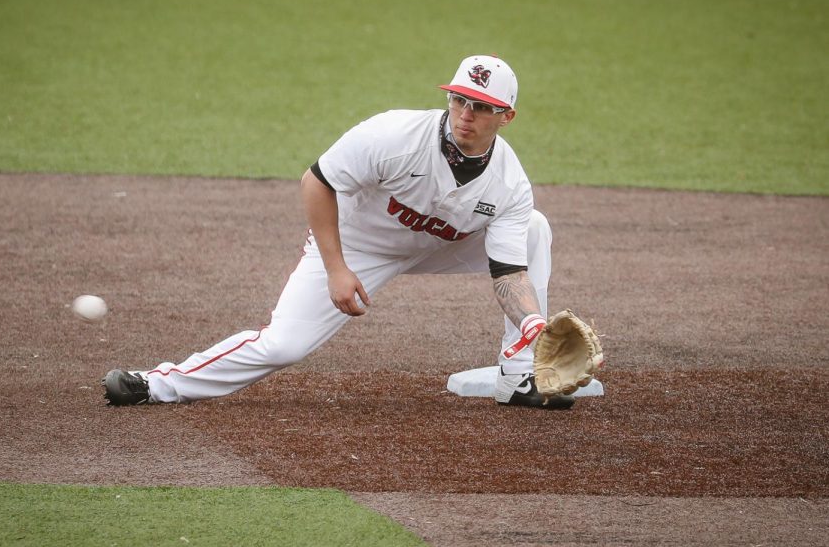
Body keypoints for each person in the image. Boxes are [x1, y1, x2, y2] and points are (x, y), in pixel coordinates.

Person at [103, 54, 574, 409]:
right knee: (284, 344)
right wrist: (336, 268)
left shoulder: (511, 183)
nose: (465, 114)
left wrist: (535, 326)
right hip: (357, 245)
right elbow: (316, 182)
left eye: (481, 106)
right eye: (459, 100)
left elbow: (510, 271)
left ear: (506, 116)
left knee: (534, 228)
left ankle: (519, 378)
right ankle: (156, 384)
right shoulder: (393, 136)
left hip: (440, 245)